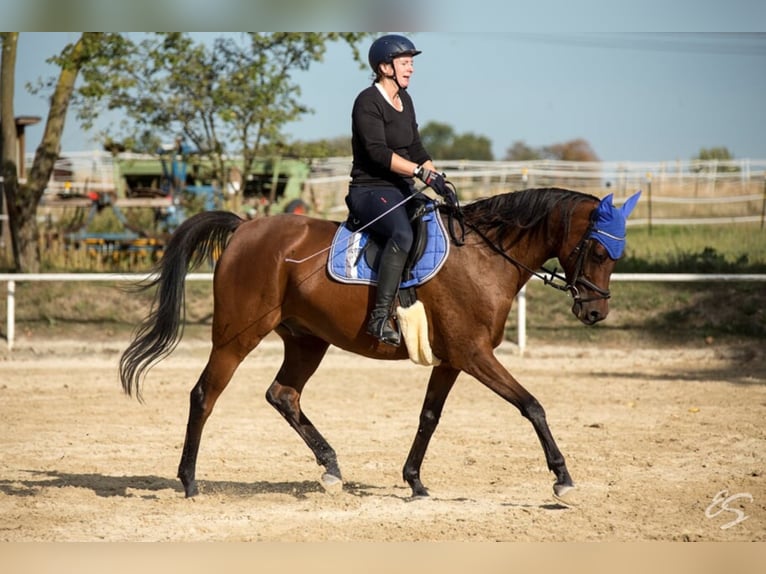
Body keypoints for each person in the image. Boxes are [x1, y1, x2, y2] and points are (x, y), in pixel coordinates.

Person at [345, 34, 451, 347]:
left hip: (400, 189)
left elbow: (415, 146)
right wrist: (420, 173)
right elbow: (377, 153)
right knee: (402, 235)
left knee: (440, 218)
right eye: (405, 63)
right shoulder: (367, 101)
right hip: (369, 190)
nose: (411, 69)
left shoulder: (405, 100)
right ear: (385, 67)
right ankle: (378, 318)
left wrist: (436, 176)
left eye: (412, 63)